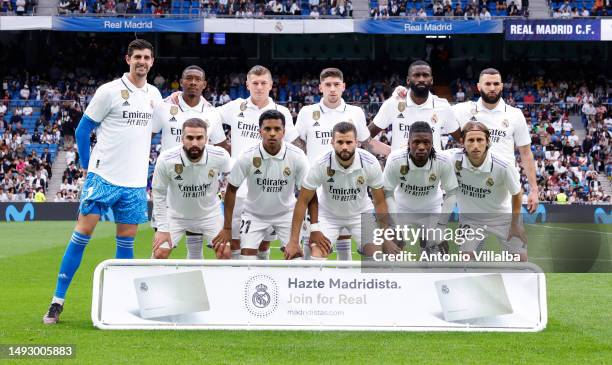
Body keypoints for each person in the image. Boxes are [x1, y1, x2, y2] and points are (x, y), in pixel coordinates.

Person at [43, 39, 162, 324]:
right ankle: (57, 301)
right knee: (82, 234)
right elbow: (83, 131)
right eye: (137, 57)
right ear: (127, 59)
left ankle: (122, 307)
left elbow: (158, 129)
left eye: (146, 57)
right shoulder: (109, 91)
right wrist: (87, 169)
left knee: (126, 242)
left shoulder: (154, 95)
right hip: (104, 176)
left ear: (152, 61)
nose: (142, 62)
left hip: (134, 183)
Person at [295, 67, 385, 259]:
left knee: (349, 240)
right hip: (317, 188)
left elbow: (366, 144)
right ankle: (315, 285)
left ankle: (347, 286)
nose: (332, 89)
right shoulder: (306, 112)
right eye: (328, 85)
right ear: (320, 87)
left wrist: (393, 153)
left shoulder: (356, 112)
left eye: (336, 85)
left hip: (349, 185)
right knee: (312, 246)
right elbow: (298, 146)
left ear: (343, 87)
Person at [216, 65, 299, 260]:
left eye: (263, 83)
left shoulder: (282, 112)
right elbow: (208, 117)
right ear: (247, 85)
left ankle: (264, 280)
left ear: (271, 85)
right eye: (255, 83)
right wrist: (223, 145)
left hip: (269, 188)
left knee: (263, 242)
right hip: (239, 186)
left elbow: (294, 145)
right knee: (235, 240)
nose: (259, 87)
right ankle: (239, 282)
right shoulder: (236, 106)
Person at [285, 122, 393, 260]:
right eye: (340, 142)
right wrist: (297, 240)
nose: (344, 147)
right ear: (332, 142)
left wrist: (385, 236)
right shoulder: (321, 163)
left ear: (357, 142)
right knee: (316, 253)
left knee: (377, 254)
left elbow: (379, 202)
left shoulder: (370, 163)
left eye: (349, 142)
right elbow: (302, 201)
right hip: (328, 215)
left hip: (361, 215)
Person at [152, 66, 230, 256]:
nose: (193, 82)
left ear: (204, 84)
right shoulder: (164, 106)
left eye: (197, 80)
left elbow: (222, 146)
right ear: (181, 82)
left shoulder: (212, 113)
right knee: (164, 248)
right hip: (174, 181)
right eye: (189, 79)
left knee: (199, 243)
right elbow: (148, 134)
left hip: (202, 182)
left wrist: (218, 174)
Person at [212, 110, 308, 259]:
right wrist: (227, 228)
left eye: (277, 129)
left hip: (286, 214)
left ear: (284, 132)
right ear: (260, 131)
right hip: (254, 215)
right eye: (267, 129)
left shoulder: (296, 155)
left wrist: (297, 238)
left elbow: (306, 195)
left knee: (296, 258)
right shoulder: (247, 155)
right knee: (247, 260)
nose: (272, 133)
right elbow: (231, 190)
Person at [452, 68, 539, 213]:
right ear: (479, 87)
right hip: (472, 185)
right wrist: (401, 97)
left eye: (496, 84)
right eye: (487, 84)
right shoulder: (463, 110)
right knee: (471, 234)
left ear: (502, 86)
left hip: (504, 186)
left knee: (513, 234)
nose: (492, 88)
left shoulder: (515, 115)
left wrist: (534, 190)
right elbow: (436, 113)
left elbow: (526, 153)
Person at [151, 118, 231, 260]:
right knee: (159, 253)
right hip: (175, 216)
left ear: (206, 139)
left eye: (199, 138)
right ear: (182, 139)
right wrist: (162, 228)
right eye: (190, 138)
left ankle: (219, 283)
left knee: (225, 252)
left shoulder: (220, 156)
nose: (195, 143)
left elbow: (230, 177)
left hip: (209, 215)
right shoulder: (166, 159)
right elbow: (158, 193)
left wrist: (224, 187)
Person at [450, 122, 527, 261]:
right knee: (465, 260)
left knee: (521, 259)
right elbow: (431, 154)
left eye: (480, 140)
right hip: (470, 220)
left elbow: (516, 193)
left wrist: (515, 224)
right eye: (470, 140)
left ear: (488, 142)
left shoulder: (504, 166)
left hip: (503, 218)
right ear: (462, 142)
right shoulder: (452, 159)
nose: (475, 145)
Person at [383, 121, 458, 254]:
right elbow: (387, 193)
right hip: (401, 209)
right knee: (392, 250)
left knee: (438, 253)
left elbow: (452, 193)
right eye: (416, 142)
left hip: (431, 210)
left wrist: (440, 226)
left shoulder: (443, 160)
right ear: (409, 143)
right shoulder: (395, 159)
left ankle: (427, 250)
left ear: (432, 143)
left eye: (426, 142)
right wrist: (397, 225)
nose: (421, 147)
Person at [372, 60, 461, 151]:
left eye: (425, 75)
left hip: (433, 165)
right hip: (400, 165)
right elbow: (365, 137)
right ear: (408, 80)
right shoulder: (393, 103)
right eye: (416, 75)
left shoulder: (443, 106)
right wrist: (390, 152)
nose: (421, 79)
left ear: (431, 80)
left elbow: (462, 140)